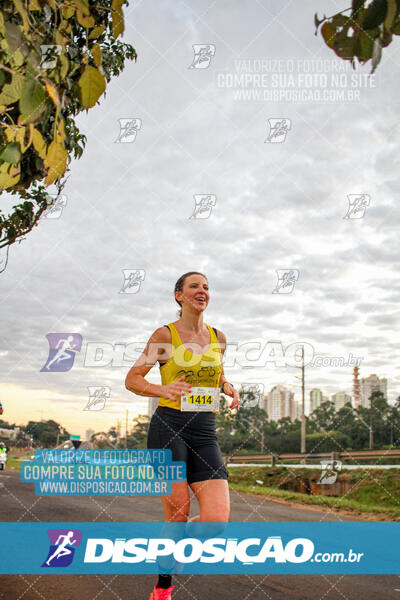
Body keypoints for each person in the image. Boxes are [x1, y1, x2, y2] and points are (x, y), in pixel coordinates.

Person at [125, 271, 239, 600]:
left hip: (205, 432)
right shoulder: (166, 334)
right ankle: (163, 587)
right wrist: (162, 388)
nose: (202, 291)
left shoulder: (219, 337)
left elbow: (215, 374)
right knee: (177, 513)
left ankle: (177, 541)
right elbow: (132, 378)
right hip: (168, 427)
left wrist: (227, 386)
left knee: (217, 521)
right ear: (179, 295)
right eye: (194, 286)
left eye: (206, 287)